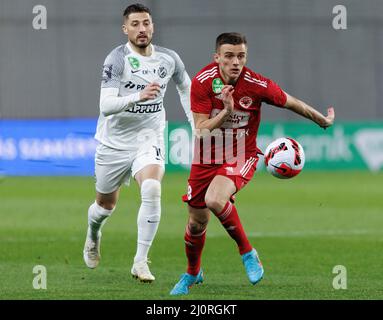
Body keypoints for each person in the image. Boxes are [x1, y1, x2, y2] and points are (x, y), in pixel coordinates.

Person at [170, 32, 335, 295]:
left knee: (215, 199)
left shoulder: (257, 84)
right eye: (229, 56)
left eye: (241, 56)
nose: (236, 62)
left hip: (241, 155)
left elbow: (291, 102)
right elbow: (201, 130)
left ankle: (248, 253)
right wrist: (226, 111)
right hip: (205, 157)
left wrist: (320, 120)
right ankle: (193, 273)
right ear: (217, 58)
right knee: (195, 223)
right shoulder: (202, 83)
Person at [83, 3, 193, 283]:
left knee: (153, 188)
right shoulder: (116, 59)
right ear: (125, 29)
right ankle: (93, 234)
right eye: (135, 24)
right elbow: (105, 106)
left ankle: (140, 262)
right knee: (105, 206)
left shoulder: (169, 59)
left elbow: (186, 89)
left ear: (152, 26)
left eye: (146, 23)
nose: (142, 29)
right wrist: (138, 96)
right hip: (114, 142)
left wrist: (196, 125)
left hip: (149, 137)